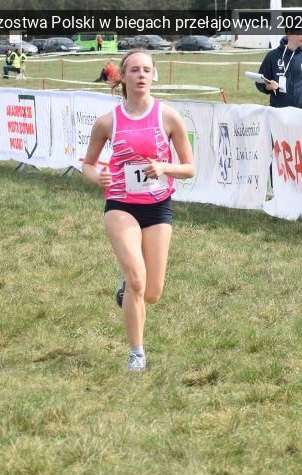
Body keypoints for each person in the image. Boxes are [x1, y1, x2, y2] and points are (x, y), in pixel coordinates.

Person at [81, 50, 196, 372]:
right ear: (123, 76)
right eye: (134, 70)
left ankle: (129, 285)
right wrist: (97, 177)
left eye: (146, 70)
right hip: (121, 205)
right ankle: (136, 353)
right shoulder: (108, 122)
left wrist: (164, 167)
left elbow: (190, 168)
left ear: (154, 76)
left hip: (157, 207)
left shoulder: (168, 117)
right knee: (137, 280)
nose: (141, 75)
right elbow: (88, 165)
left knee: (153, 292)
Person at [256, 27, 302, 110]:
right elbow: (260, 81)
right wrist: (267, 86)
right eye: (301, 33)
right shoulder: (272, 56)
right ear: (289, 33)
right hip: (277, 111)